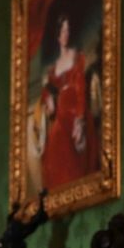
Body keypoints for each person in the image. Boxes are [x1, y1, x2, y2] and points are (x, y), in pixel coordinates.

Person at [34, 13, 99, 190]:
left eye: (68, 30)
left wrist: (79, 119)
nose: (66, 34)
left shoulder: (77, 57)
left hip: (76, 111)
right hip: (61, 113)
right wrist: (49, 100)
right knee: (54, 143)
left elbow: (80, 88)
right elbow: (47, 89)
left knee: (66, 139)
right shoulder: (54, 67)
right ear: (57, 35)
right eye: (62, 31)